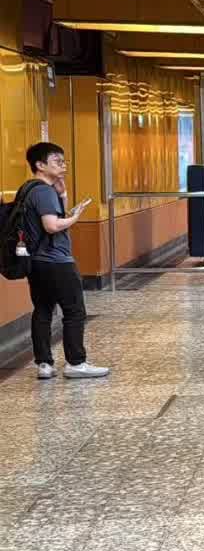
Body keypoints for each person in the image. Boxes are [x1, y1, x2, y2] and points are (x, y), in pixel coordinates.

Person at [18, 142, 107, 380]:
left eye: (63, 161)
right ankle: (76, 363)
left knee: (43, 310)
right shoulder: (44, 192)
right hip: (57, 261)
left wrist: (63, 196)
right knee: (74, 311)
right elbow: (52, 225)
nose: (63, 165)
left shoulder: (28, 189)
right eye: (57, 161)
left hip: (37, 262)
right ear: (40, 165)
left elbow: (49, 220)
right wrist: (75, 217)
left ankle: (44, 364)